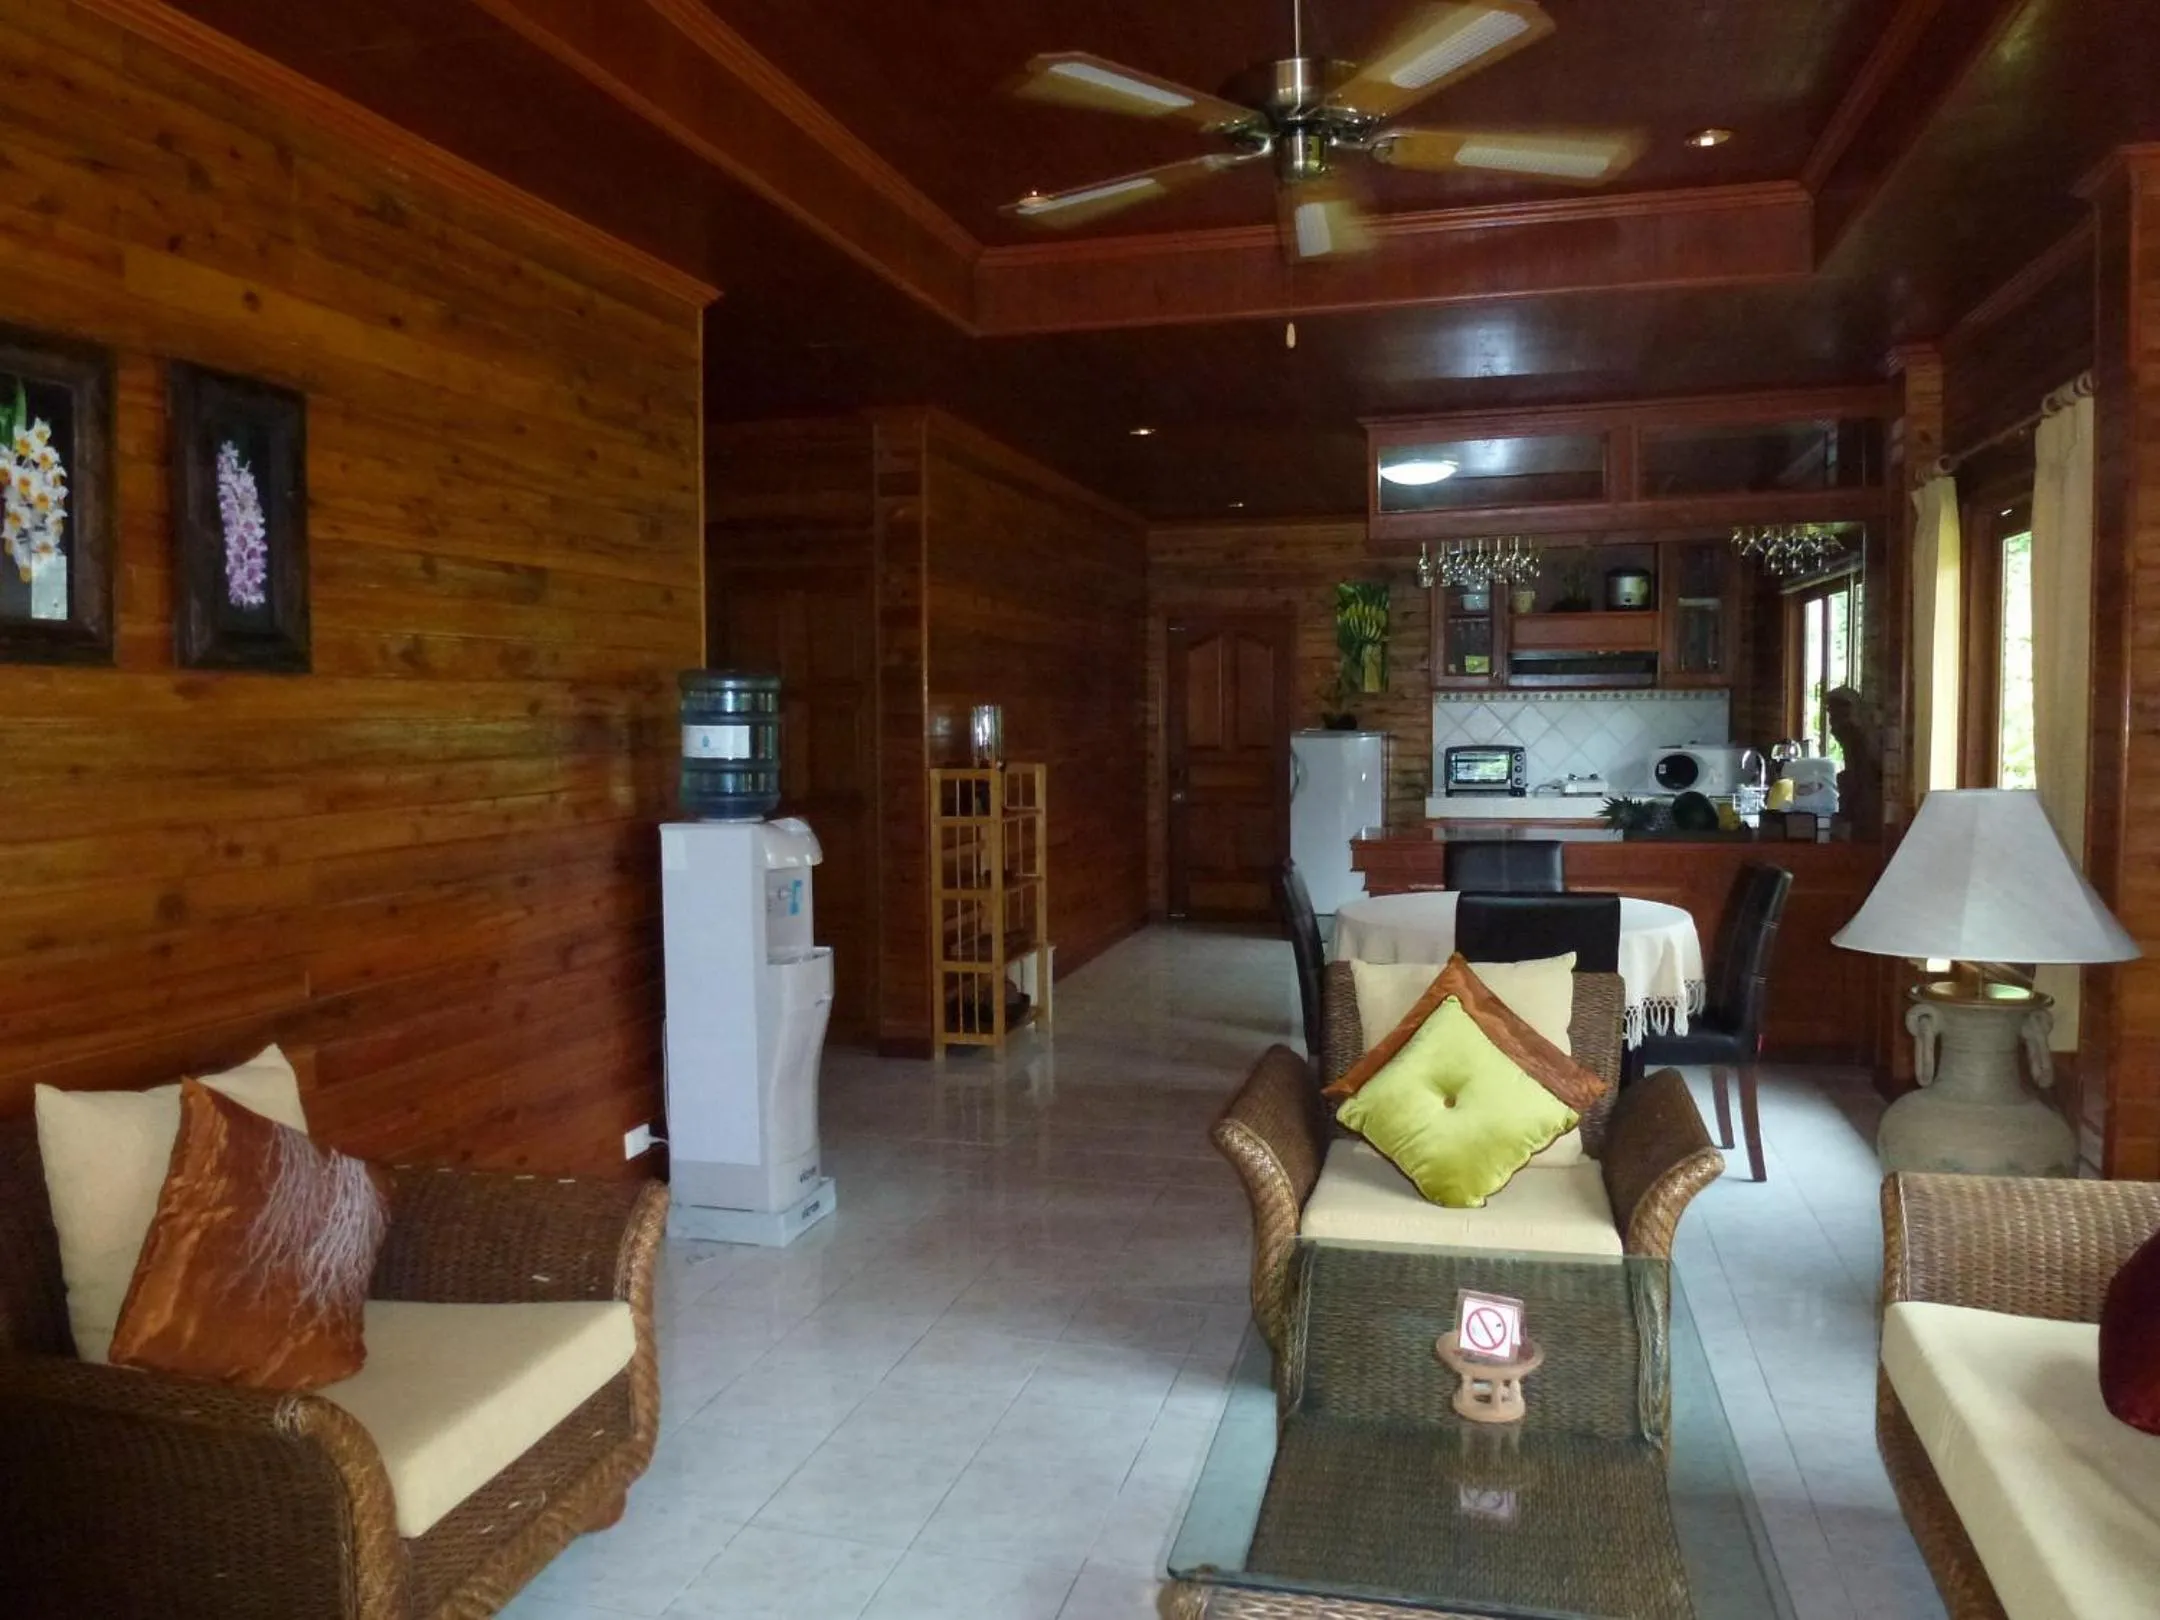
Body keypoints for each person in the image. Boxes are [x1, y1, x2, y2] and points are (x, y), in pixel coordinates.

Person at [1824, 685, 1881, 836]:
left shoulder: (1862, 739)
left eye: (1837, 715)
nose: (1832, 724)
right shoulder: (1850, 738)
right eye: (1831, 715)